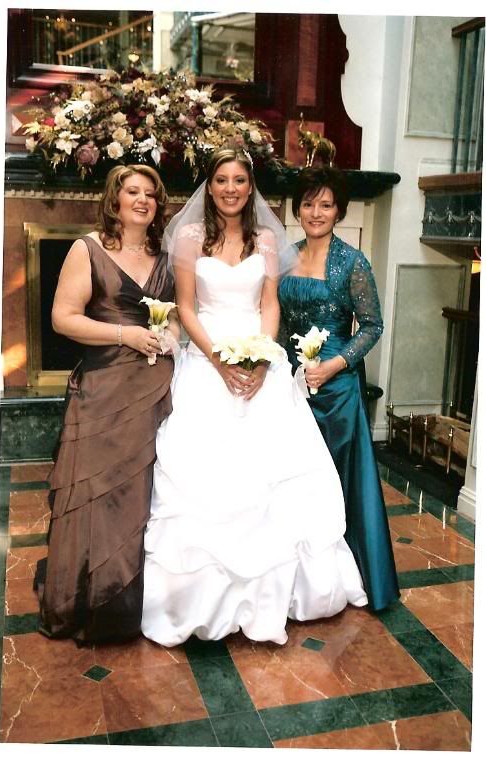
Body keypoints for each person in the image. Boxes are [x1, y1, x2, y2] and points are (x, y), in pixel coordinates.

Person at [142, 148, 368, 648]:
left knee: (278, 475)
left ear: (250, 187)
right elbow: (186, 307)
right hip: (206, 361)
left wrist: (262, 360)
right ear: (210, 185)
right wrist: (219, 361)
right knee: (207, 476)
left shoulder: (267, 239)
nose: (231, 189)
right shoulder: (190, 237)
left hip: (259, 359)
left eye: (239, 180)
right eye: (222, 180)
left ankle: (283, 596)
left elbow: (269, 305)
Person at [36, 164, 180, 643]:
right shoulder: (88, 248)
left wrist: (170, 335)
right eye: (132, 191)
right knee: (98, 494)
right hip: (103, 388)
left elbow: (174, 316)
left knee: (142, 496)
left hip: (156, 387)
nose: (142, 200)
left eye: (150, 194)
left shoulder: (164, 256)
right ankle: (91, 602)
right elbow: (63, 318)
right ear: (114, 200)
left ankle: (139, 606)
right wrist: (126, 334)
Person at [278, 166, 400, 611]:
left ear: (339, 212)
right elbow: (279, 321)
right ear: (297, 209)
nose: (316, 212)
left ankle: (347, 574)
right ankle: (297, 578)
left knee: (338, 479)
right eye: (309, 204)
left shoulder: (353, 262)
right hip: (292, 385)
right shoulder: (285, 257)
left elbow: (372, 326)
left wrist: (333, 365)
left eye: (326, 205)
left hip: (338, 389)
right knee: (293, 478)